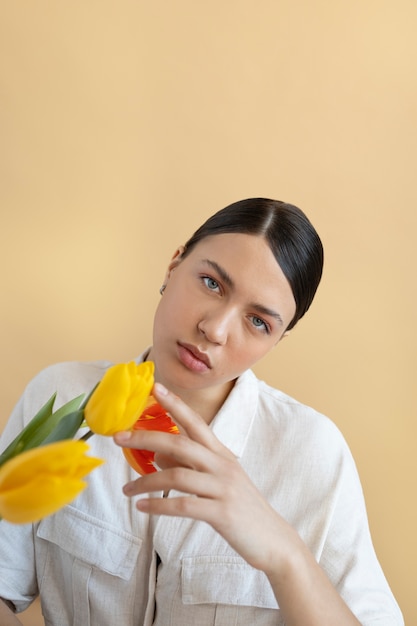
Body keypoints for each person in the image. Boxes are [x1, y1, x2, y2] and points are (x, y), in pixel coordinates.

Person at [0, 198, 403, 625]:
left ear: (278, 341)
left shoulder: (313, 452)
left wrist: (285, 555)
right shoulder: (63, 396)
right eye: (212, 283)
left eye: (259, 322)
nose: (214, 329)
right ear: (174, 266)